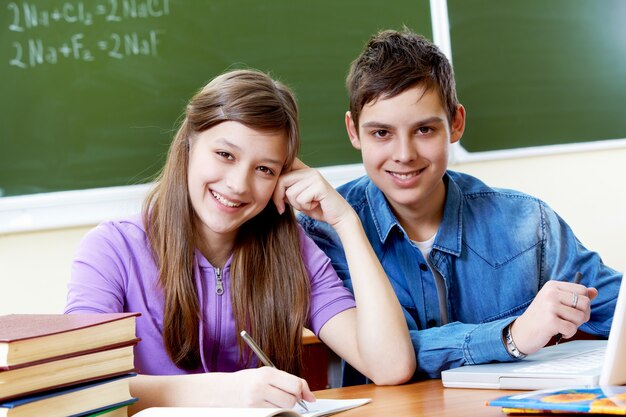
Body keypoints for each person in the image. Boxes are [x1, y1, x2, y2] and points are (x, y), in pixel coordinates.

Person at [65, 69, 415, 412]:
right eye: (225, 155)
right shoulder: (111, 249)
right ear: (189, 142)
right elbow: (82, 384)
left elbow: (390, 366)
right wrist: (222, 391)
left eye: (265, 169)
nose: (238, 185)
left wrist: (346, 222)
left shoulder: (291, 250)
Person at [298, 28, 623, 382]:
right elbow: (387, 354)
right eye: (381, 133)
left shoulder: (528, 223)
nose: (404, 155)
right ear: (353, 131)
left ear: (456, 123)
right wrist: (511, 336)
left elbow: (615, 306)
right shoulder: (324, 233)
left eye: (424, 130)